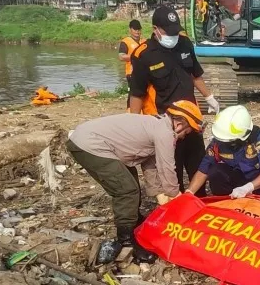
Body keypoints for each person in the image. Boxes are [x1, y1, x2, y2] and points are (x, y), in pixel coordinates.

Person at [66, 100, 204, 262]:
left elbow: (151, 167)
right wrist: (177, 197)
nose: (185, 136)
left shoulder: (157, 125)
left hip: (91, 140)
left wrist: (160, 196)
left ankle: (134, 220)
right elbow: (168, 168)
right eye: (187, 132)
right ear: (180, 124)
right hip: (90, 144)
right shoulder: (165, 132)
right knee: (126, 190)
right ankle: (126, 240)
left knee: (130, 181)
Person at [129, 6, 220, 196]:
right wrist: (133, 124)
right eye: (168, 32)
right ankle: (176, 211)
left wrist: (209, 97)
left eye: (175, 31)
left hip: (191, 120)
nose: (173, 36)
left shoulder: (185, 43)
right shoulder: (143, 55)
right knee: (172, 173)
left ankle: (199, 205)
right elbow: (137, 94)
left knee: (198, 168)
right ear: (156, 29)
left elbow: (195, 75)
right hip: (166, 124)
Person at [185, 105, 260, 198]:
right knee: (215, 172)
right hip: (237, 178)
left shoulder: (258, 138)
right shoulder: (219, 140)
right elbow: (203, 170)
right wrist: (189, 193)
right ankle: (225, 203)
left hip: (258, 182)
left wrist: (247, 188)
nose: (223, 142)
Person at [118, 19, 143, 108]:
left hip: (144, 73)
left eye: (139, 29)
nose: (137, 31)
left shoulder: (144, 42)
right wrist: (135, 57)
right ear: (130, 30)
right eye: (135, 29)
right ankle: (130, 111)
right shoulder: (125, 41)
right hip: (131, 73)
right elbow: (121, 56)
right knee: (133, 94)